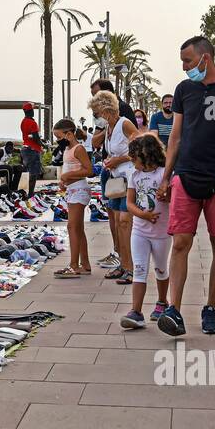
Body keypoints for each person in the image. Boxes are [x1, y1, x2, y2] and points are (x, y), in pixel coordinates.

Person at [159, 36, 215, 337]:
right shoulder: (184, 90)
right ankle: (174, 308)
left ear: (205, 58)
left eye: (188, 61)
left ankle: (210, 307)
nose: (185, 68)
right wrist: (166, 176)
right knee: (181, 242)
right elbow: (175, 137)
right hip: (186, 175)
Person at [121, 135, 171, 329]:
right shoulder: (134, 175)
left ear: (146, 155)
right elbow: (129, 203)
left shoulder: (163, 174)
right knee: (140, 269)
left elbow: (172, 200)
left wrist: (166, 196)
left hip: (161, 232)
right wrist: (143, 215)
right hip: (140, 231)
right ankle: (136, 311)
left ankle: (161, 301)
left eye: (134, 158)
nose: (133, 163)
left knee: (161, 268)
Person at [91, 90, 137, 283]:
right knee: (119, 224)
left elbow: (140, 148)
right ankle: (124, 265)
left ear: (106, 109)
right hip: (117, 180)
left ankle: (131, 268)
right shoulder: (109, 129)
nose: (97, 116)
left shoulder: (124, 124)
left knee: (125, 223)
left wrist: (118, 159)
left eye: (98, 112)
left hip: (129, 179)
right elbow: (94, 144)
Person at [52, 118, 93, 278]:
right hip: (72, 189)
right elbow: (74, 169)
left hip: (79, 190)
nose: (57, 140)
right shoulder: (68, 150)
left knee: (72, 227)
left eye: (59, 136)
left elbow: (89, 170)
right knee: (78, 228)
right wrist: (65, 181)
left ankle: (74, 265)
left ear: (69, 134)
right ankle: (85, 264)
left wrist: (68, 175)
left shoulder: (78, 148)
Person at [19, 103, 44, 198]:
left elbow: (29, 136)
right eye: (33, 109)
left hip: (25, 149)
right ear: (30, 111)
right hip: (32, 150)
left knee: (31, 172)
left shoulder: (23, 122)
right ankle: (30, 195)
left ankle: (30, 193)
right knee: (33, 174)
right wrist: (43, 144)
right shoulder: (33, 123)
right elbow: (36, 137)